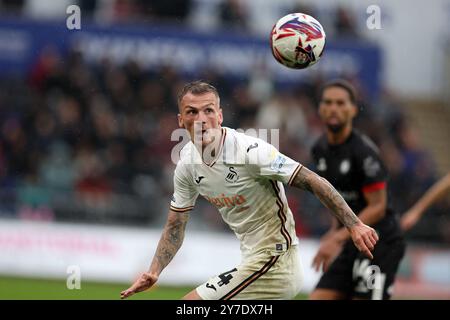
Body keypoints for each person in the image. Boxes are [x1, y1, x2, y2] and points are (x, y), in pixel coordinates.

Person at [120, 81, 378, 300]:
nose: (201, 119)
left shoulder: (251, 152)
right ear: (181, 120)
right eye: (191, 112)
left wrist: (354, 225)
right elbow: (176, 225)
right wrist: (154, 270)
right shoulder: (187, 163)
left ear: (220, 116)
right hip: (252, 261)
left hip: (277, 261)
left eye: (208, 110)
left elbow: (312, 180)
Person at [309, 80, 405, 300]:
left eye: (341, 103)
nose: (334, 108)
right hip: (351, 238)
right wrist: (335, 232)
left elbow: (378, 208)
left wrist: (337, 238)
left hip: (380, 241)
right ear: (320, 109)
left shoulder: (364, 153)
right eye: (328, 102)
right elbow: (335, 197)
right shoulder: (319, 149)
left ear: (353, 109)